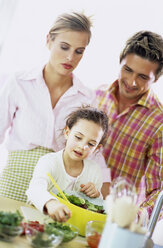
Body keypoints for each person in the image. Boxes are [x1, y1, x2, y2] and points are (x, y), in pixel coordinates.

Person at [0, 11, 110, 203]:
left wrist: (104, 190)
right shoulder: (18, 83)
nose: (70, 57)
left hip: (56, 190)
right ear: (49, 40)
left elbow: (91, 146)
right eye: (64, 47)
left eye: (79, 51)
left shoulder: (86, 97)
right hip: (12, 184)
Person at [96, 31, 163, 219]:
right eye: (127, 70)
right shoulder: (95, 96)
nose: (132, 82)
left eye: (143, 77)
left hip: (114, 221)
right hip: (72, 205)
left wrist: (135, 217)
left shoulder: (159, 123)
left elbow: (158, 192)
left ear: (156, 79)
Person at [26, 106, 109, 222]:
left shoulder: (94, 171)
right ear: (67, 132)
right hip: (40, 222)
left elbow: (95, 209)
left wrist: (96, 195)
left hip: (73, 229)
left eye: (91, 144)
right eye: (78, 137)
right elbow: (35, 189)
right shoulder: (49, 162)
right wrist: (51, 203)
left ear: (97, 148)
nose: (82, 146)